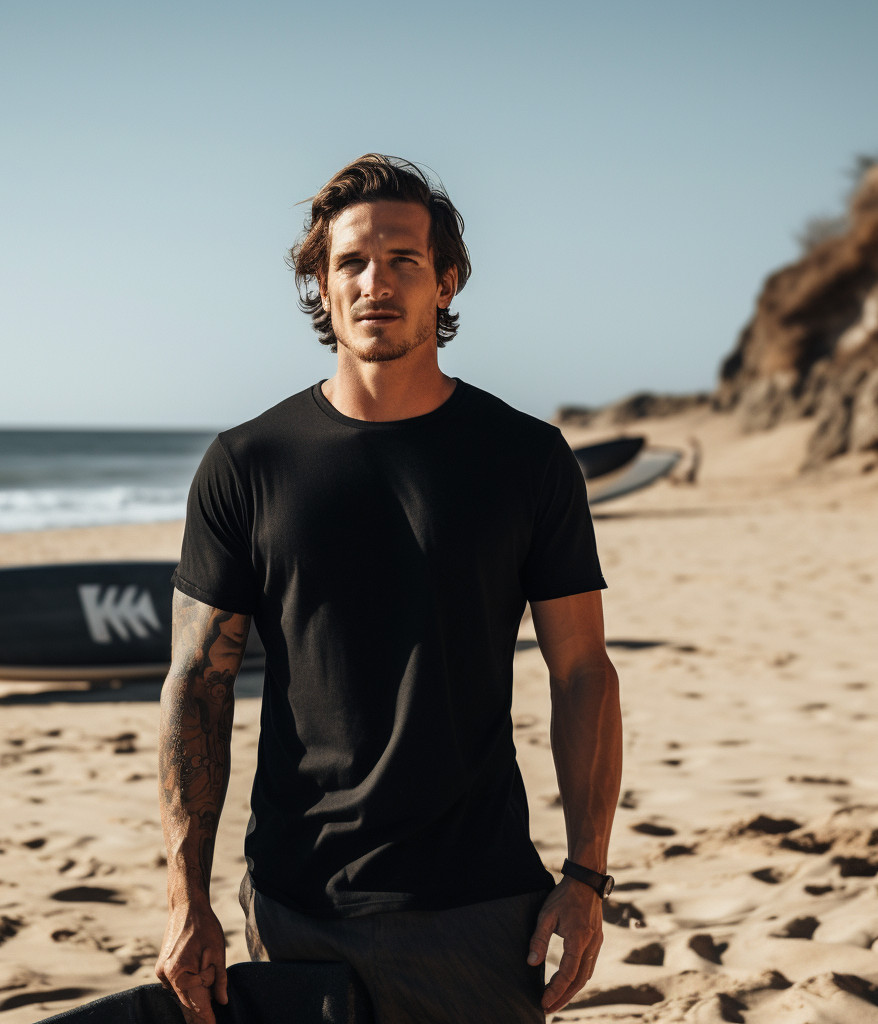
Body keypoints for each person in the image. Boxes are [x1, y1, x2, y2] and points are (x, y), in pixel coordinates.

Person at [156, 154, 623, 1024]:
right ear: (321, 285)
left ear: (445, 283)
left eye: (405, 260)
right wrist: (188, 898)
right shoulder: (247, 465)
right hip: (299, 906)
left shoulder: (526, 460)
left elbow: (584, 673)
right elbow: (197, 681)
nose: (378, 282)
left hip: (480, 906)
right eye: (352, 262)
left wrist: (586, 873)